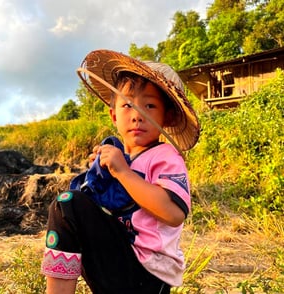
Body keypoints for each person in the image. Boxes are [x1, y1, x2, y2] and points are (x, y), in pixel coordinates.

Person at [41, 49, 200, 294]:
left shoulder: (165, 156)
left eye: (149, 106)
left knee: (69, 204)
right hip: (116, 259)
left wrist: (123, 172)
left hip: (147, 272)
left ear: (166, 117)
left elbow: (173, 213)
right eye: (127, 105)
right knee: (67, 207)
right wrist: (101, 173)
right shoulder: (117, 156)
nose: (137, 115)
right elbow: (101, 207)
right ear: (114, 115)